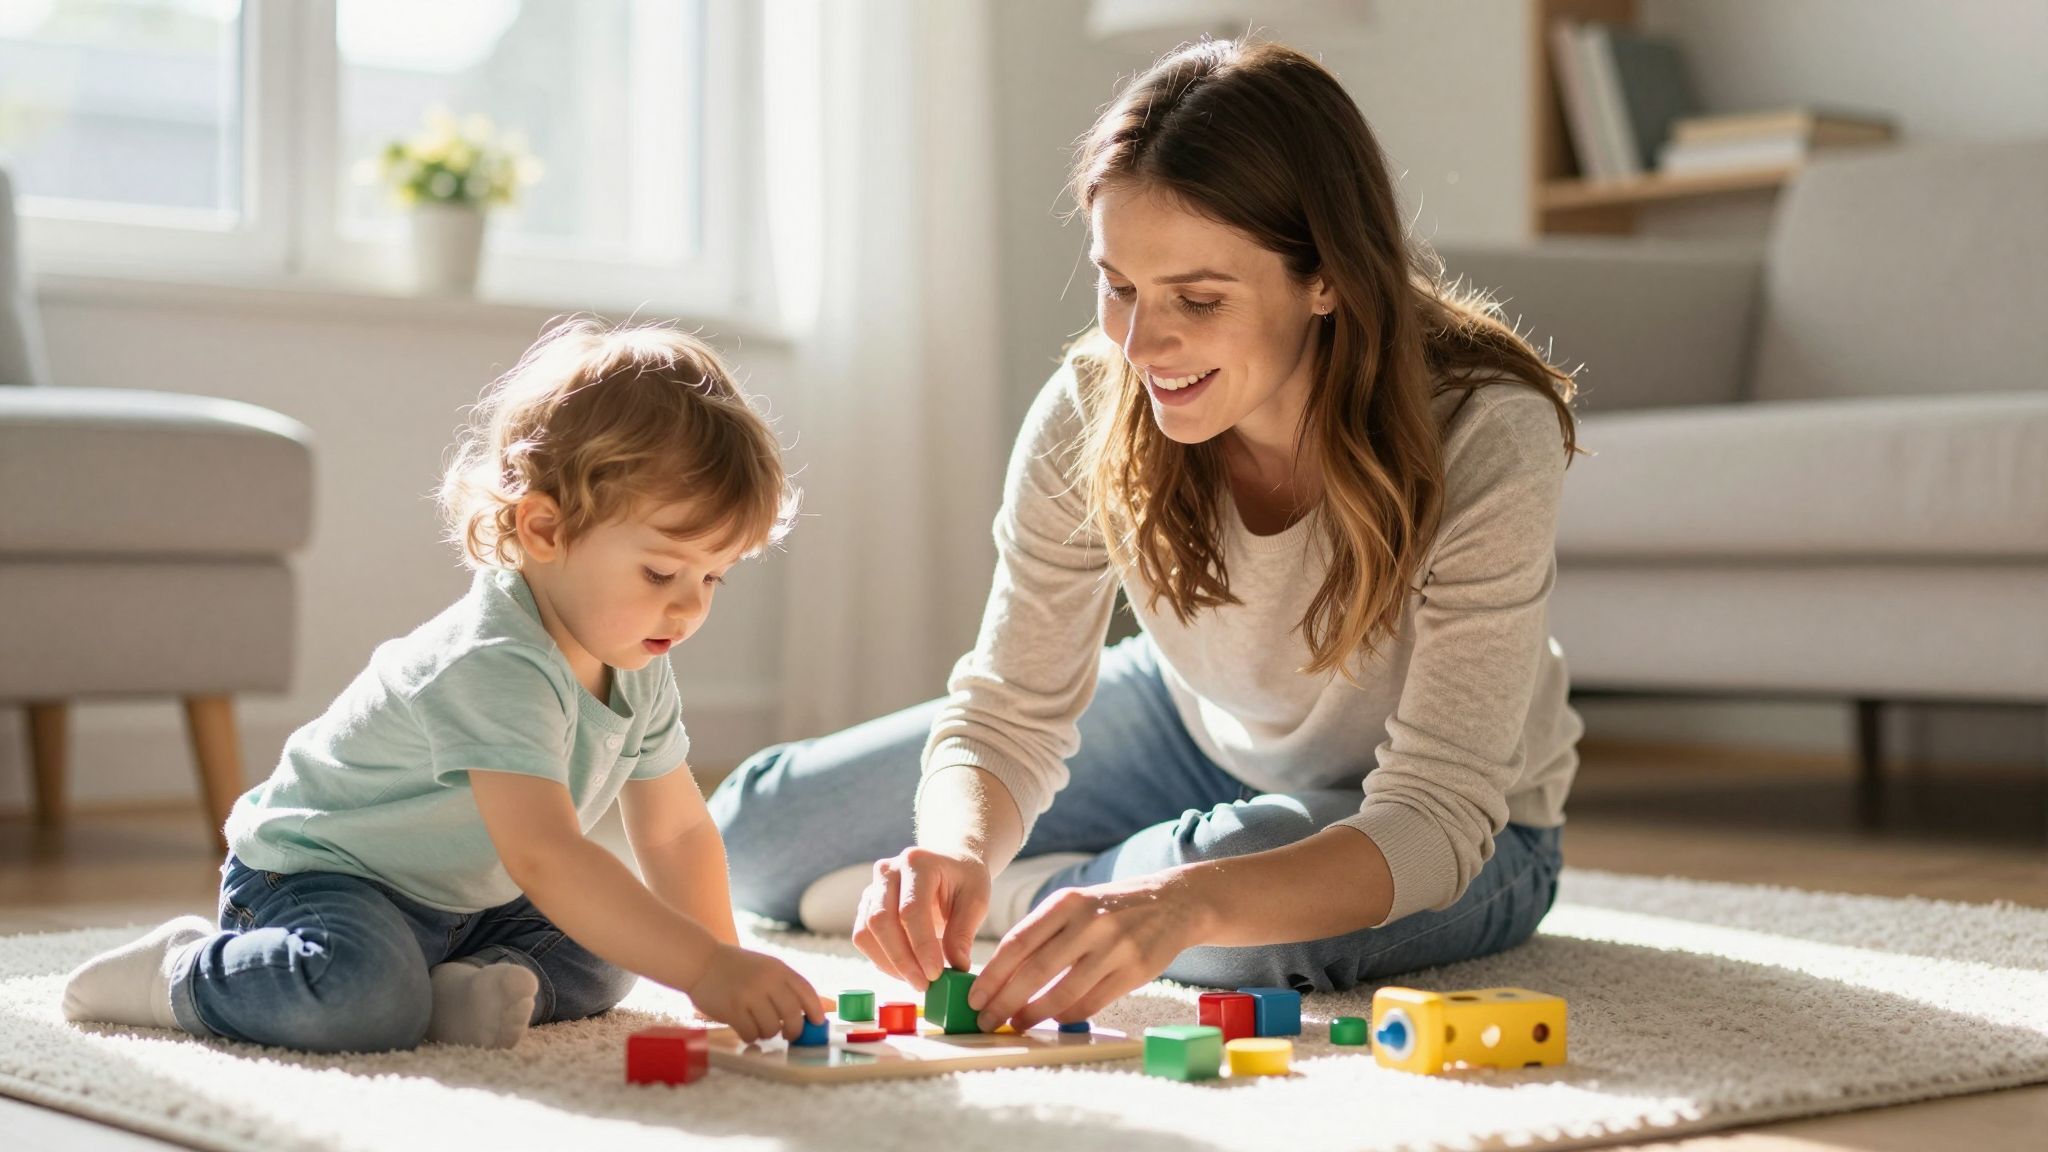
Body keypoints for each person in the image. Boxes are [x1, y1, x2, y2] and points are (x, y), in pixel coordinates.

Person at [710, 38, 1583, 1034]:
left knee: (1238, 932)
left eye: (1197, 301)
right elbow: (1008, 712)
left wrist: (1182, 901)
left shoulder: (1482, 431)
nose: (1138, 343)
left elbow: (1434, 819)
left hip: (1468, 824)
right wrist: (950, 851)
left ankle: (1055, 902)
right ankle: (1087, 887)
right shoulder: (1094, 404)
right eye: (1116, 285)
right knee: (757, 837)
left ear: (1326, 278)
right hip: (1193, 724)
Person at [62, 319, 821, 1051]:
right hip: (324, 878)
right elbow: (547, 856)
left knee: (615, 947)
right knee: (362, 998)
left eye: (713, 576)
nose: (689, 607)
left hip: (468, 900)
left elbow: (676, 831)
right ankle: (179, 973)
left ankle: (456, 991)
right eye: (661, 572)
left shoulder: (639, 662)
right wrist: (708, 967)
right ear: (545, 531)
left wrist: (720, 965)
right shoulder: (495, 660)